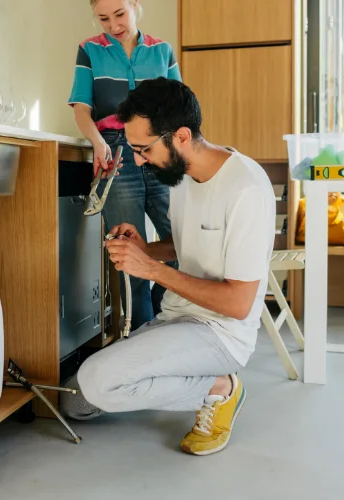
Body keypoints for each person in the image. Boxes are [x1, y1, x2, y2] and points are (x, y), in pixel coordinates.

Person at [60, 78, 276, 456]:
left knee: (98, 382)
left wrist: (153, 270)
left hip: (220, 333)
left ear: (180, 136)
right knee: (76, 403)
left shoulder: (246, 189)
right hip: (177, 319)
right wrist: (148, 249)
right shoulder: (181, 178)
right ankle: (185, 375)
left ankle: (221, 388)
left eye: (144, 149)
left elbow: (239, 304)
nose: (140, 161)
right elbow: (191, 243)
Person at [68, 0, 181, 326]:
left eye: (119, 14)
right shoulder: (90, 50)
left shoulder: (162, 51)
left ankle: (171, 325)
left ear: (135, 5)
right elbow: (81, 107)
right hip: (114, 151)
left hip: (160, 149)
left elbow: (178, 105)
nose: (114, 24)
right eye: (103, 18)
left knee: (177, 241)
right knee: (127, 250)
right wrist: (98, 142)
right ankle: (140, 335)